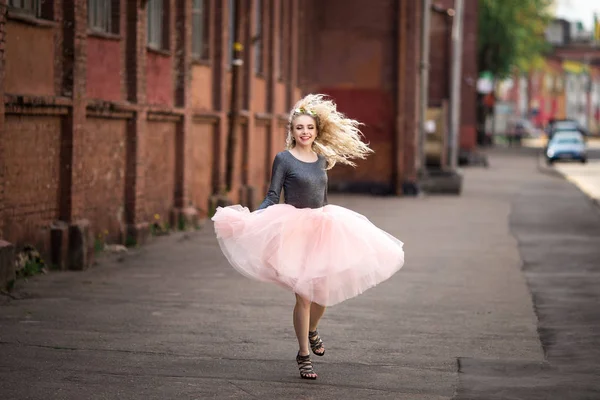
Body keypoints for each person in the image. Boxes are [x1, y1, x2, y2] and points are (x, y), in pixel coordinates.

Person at [212, 94, 405, 380]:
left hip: (324, 226)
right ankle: (303, 354)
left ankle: (313, 330)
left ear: (316, 131)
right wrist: (253, 219)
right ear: (291, 131)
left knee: (322, 294)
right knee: (303, 296)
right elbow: (272, 196)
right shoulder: (284, 159)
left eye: (310, 128)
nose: (305, 132)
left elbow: (322, 197)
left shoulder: (321, 159)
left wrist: (327, 219)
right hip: (294, 229)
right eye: (299, 127)